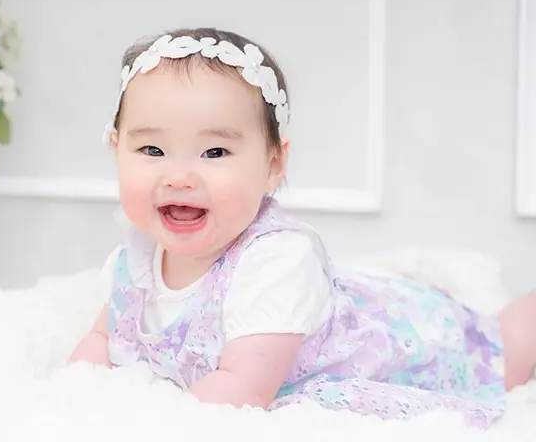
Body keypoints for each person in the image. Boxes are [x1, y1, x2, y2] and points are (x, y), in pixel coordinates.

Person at [68, 27, 536, 428]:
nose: (178, 176)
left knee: (506, 348)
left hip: (412, 344)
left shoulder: (277, 261)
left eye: (215, 152)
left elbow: (241, 390)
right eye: (151, 150)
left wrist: (149, 425)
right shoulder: (135, 259)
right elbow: (103, 341)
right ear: (117, 149)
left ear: (273, 165)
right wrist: (71, 396)